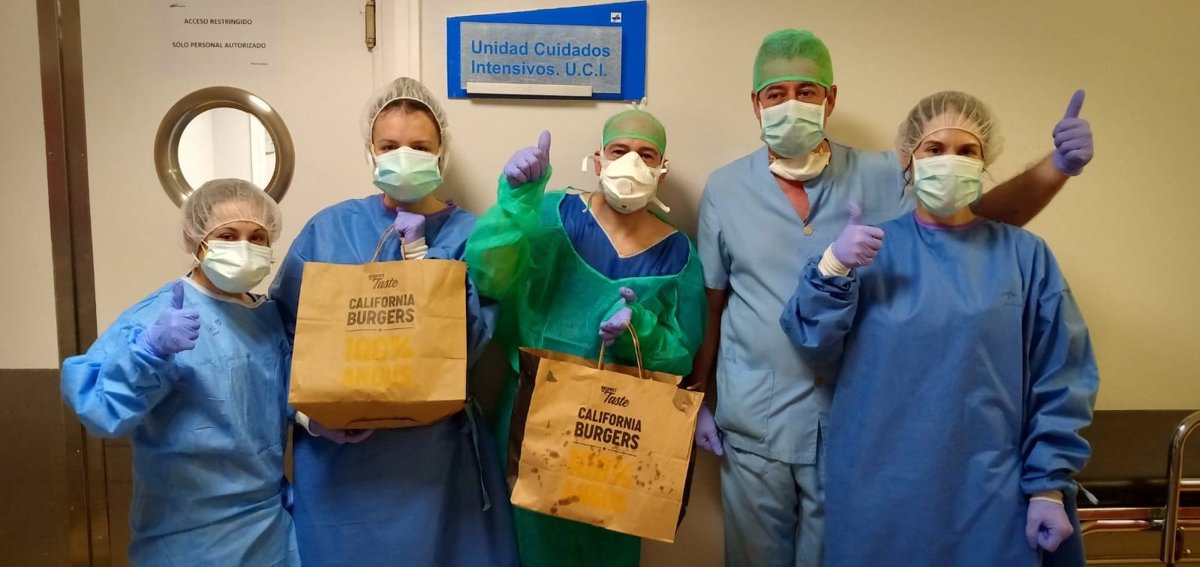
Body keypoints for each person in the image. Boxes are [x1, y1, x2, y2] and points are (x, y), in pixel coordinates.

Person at [692, 29, 1096, 566]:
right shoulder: (725, 188)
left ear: (830, 98)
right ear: (755, 102)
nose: (791, 104)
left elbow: (970, 223)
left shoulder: (887, 175)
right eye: (776, 93)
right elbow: (711, 302)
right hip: (757, 420)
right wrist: (696, 395)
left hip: (847, 430)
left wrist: (1054, 169)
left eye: (807, 91)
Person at [779, 90, 1098, 566]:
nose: (951, 160)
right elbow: (812, 343)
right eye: (934, 148)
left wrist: (1048, 486)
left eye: (967, 150)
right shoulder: (869, 249)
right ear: (908, 159)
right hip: (879, 491)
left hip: (990, 492)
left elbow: (1061, 376)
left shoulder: (1024, 257)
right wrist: (832, 267)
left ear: (984, 162)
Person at [269, 77, 518, 567]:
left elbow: (470, 342)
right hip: (340, 466)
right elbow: (279, 337)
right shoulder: (329, 229)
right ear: (370, 151)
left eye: (420, 147)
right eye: (389, 146)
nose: (404, 156)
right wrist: (307, 416)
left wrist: (425, 264)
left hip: (435, 459)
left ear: (442, 153)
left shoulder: (473, 237)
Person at [464, 108, 706, 567]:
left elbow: (680, 351)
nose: (631, 162)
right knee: (531, 543)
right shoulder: (552, 215)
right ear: (598, 160)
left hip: (621, 427)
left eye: (646, 154)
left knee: (607, 545)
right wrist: (516, 201)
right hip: (538, 413)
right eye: (619, 150)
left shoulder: (677, 252)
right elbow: (491, 278)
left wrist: (640, 330)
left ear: (662, 168)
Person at [61, 179, 299, 566]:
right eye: (227, 236)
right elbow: (100, 410)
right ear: (196, 240)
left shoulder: (265, 316)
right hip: (186, 532)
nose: (244, 247)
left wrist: (314, 417)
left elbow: (279, 394)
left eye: (257, 237)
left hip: (266, 526)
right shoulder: (158, 319)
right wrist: (147, 353)